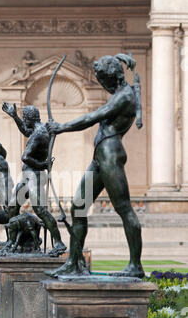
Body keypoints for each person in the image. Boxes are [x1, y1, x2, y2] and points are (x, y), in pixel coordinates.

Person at [47, 53, 144, 278]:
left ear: (113, 78)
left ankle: (135, 266)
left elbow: (92, 117)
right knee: (78, 206)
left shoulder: (125, 96)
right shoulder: (121, 92)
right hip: (100, 157)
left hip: (111, 155)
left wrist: (62, 127)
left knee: (124, 209)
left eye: (103, 81)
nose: (103, 85)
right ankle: (74, 262)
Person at [2, 101, 66, 257]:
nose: (24, 121)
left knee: (40, 210)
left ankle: (58, 243)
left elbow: (25, 157)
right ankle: (13, 241)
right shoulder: (41, 129)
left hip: (34, 176)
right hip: (28, 176)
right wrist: (15, 116)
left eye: (24, 118)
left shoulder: (38, 135)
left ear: (29, 118)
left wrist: (42, 164)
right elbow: (25, 131)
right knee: (12, 206)